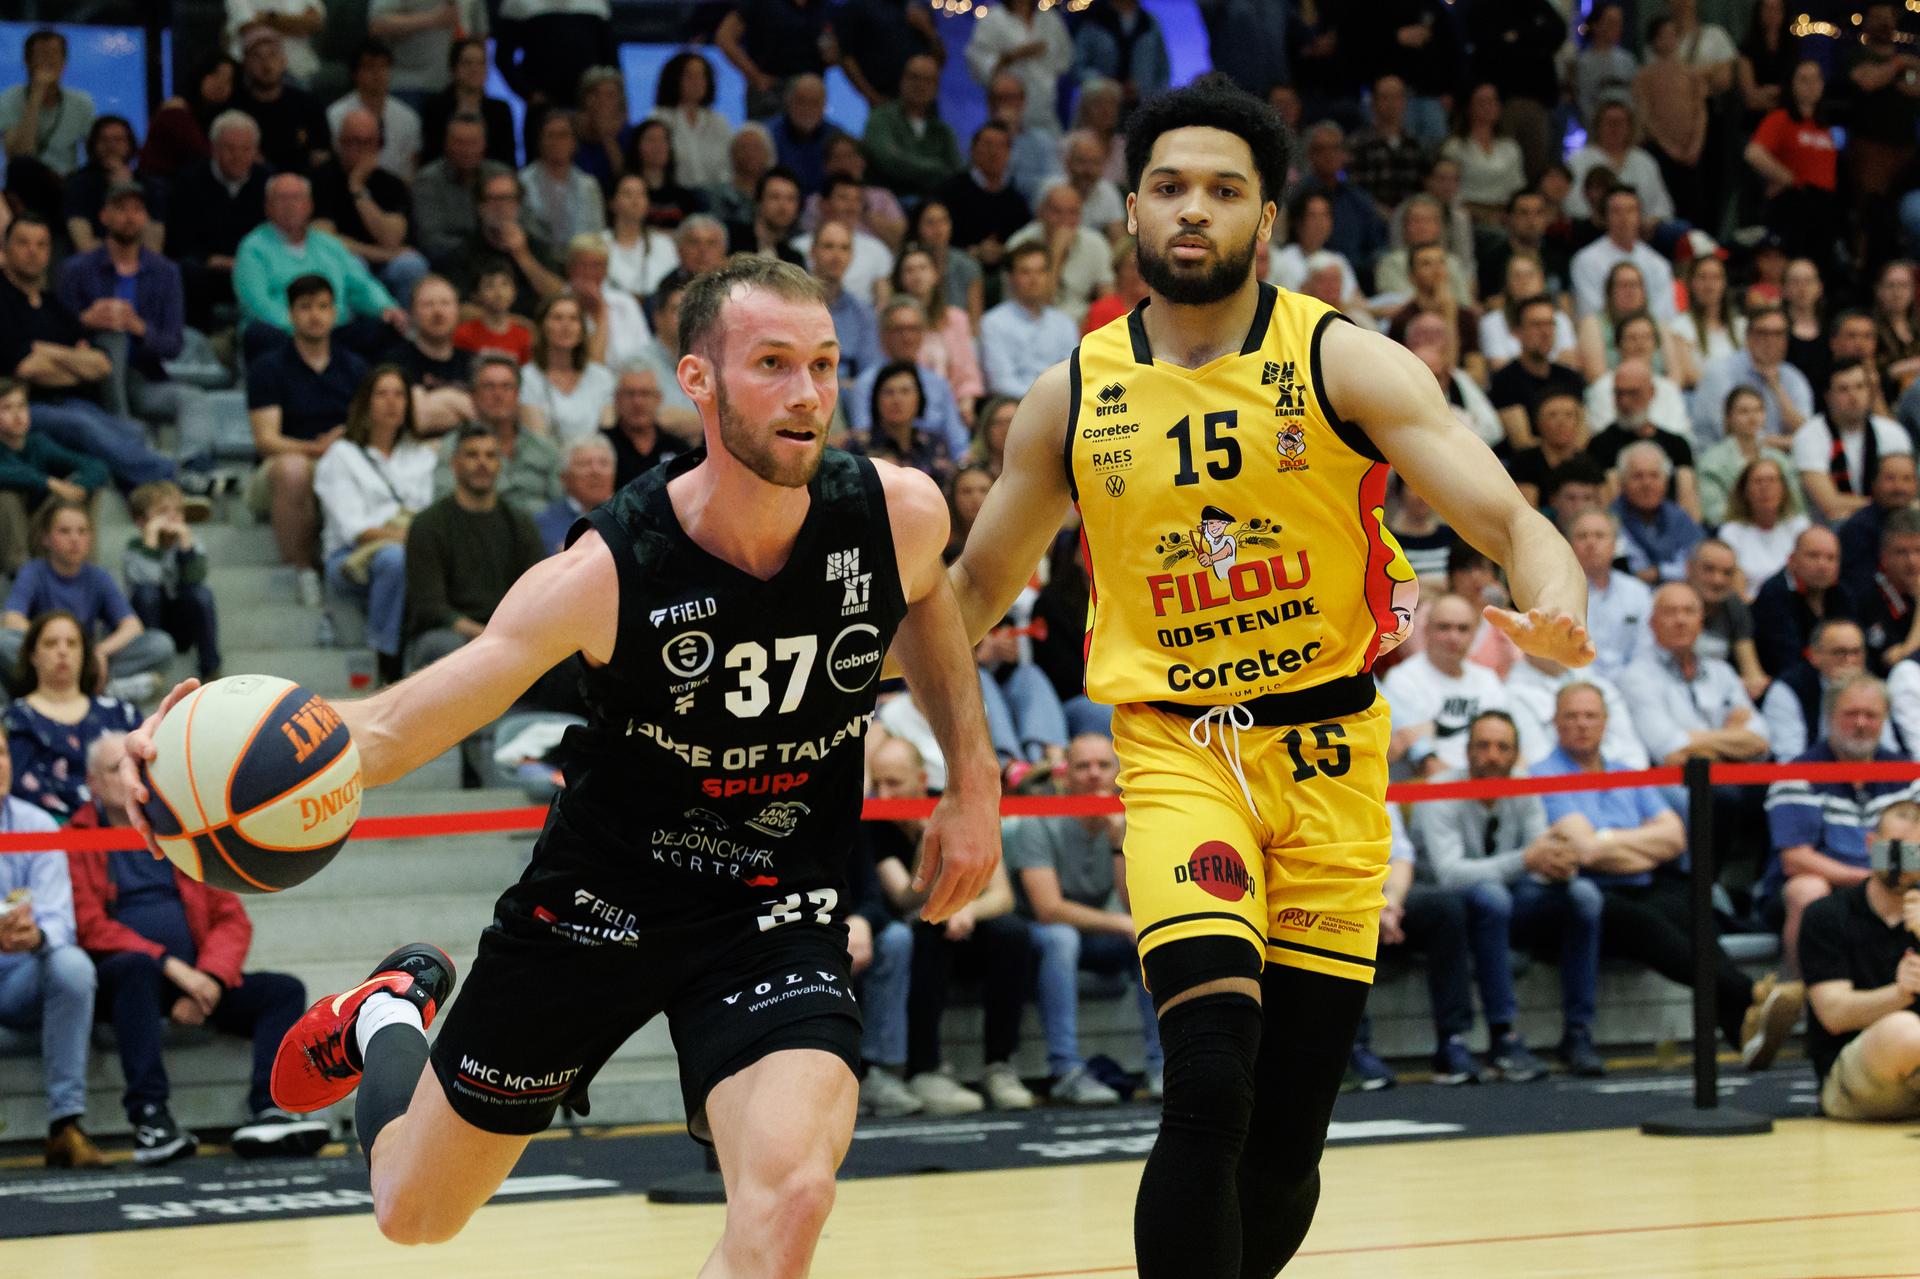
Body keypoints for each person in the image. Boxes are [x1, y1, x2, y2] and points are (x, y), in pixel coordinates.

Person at [126, 253, 999, 1264]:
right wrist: (212, 734)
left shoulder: (896, 512)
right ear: (699, 382)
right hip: (601, 901)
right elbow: (391, 725)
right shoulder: (607, 570)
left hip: (773, 902)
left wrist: (973, 784)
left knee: (793, 1193)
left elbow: (928, 598)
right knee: (414, 1212)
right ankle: (386, 1017)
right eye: (771, 363)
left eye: (823, 363)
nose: (807, 394)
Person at [944, 80, 1591, 1279]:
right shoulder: (1070, 395)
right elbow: (970, 597)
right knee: (1207, 1074)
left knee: (1287, 1131)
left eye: (1225, 190)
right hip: (1179, 748)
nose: (1196, 210)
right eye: (1173, 187)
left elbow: (1511, 517)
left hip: (1333, 760)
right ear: (1130, 208)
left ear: (1269, 217)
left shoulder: (1346, 362)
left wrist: (1558, 602)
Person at [69, 730, 326, 1162]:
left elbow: (230, 916)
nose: (132, 778)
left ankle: (269, 1109)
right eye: (117, 769)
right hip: (125, 983)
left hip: (195, 979)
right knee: (135, 968)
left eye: (139, 769)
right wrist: (171, 966)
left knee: (283, 991)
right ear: (92, 783)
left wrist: (208, 977)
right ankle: (151, 1119)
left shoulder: (177, 830)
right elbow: (89, 926)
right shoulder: (78, 835)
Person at [1533, 682, 1804, 1071]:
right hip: (1582, 895)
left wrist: (1611, 842)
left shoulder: (1626, 772)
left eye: (1590, 716)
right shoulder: (1543, 774)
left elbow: (1675, 838)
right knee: (1643, 921)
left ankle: (1740, 1027)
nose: (1581, 724)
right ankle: (1747, 998)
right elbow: (1585, 852)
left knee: (1692, 902)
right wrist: (1639, 844)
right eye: (1571, 716)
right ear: (1555, 722)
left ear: (1606, 722)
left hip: (1644, 881)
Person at [1407, 710, 1606, 1080]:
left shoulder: (1524, 788)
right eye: (1483, 746)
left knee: (1583, 896)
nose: (1493, 756)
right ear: (1466, 752)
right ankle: (1503, 1035)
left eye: (1503, 747)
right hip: (1451, 905)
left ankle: (1579, 1031)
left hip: (1512, 898)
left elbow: (1537, 852)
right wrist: (1527, 860)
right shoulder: (1440, 791)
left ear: (1516, 755)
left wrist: (1558, 863)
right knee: (1492, 897)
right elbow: (1449, 873)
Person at [864, 736, 1034, 1113]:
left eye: (893, 783)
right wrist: (925, 842)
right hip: (917, 931)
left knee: (1013, 933)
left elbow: (1002, 895)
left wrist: (968, 909)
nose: (884, 794)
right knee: (924, 934)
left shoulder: (955, 806)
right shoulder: (875, 823)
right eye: (877, 784)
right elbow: (904, 897)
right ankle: (926, 1068)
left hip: (963, 923)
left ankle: (1000, 1065)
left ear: (921, 779)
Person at [1003, 733, 1162, 1104]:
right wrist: (1125, 925)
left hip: (1094, 932)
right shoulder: (1038, 818)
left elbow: (1132, 906)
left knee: (1150, 937)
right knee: (1062, 938)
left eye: (1103, 766)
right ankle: (1066, 1069)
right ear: (1065, 776)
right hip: (1033, 933)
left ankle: (1163, 1065)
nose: (1093, 775)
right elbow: (1049, 908)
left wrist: (1117, 842)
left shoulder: (1131, 821)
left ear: (1119, 774)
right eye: (1083, 766)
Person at [0, 217, 181, 495]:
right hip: (21, 408)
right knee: (81, 425)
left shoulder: (53, 305)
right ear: (5, 249)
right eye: (23, 243)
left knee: (130, 431)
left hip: (70, 401)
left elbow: (100, 365)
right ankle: (171, 479)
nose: (33, 251)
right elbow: (27, 369)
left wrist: (42, 349)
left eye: (41, 244)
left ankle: (151, 499)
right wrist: (72, 362)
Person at [1760, 676, 1918, 971]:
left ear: (1884, 720)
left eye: (1871, 715)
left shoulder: (1908, 774)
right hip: (1830, 887)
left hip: (1895, 881)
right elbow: (1796, 860)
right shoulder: (1798, 773)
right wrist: (1869, 881)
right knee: (1806, 890)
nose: (1861, 723)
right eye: (1851, 713)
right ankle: (1796, 1000)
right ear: (1829, 717)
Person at [0, 730, 102, 1168]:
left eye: (1, 752)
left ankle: (65, 1126)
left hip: (21, 977)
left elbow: (60, 920)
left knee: (73, 966)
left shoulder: (37, 824)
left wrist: (35, 937)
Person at [246, 274, 372, 606]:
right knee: (294, 469)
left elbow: (369, 425)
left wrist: (344, 437)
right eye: (305, 307)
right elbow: (266, 439)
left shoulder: (356, 368)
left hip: (341, 458)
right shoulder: (268, 368)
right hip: (281, 466)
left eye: (322, 306)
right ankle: (300, 570)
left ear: (335, 312)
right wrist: (315, 448)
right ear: (290, 314)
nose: (314, 315)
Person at [315, 366, 439, 683]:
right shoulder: (341, 455)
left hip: (412, 548)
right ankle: (386, 660)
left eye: (399, 394)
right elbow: (355, 530)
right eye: (382, 394)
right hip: (351, 558)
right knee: (394, 560)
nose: (391, 402)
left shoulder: (422, 456)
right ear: (365, 403)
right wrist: (411, 538)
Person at [1799, 800, 1920, 1121]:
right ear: (1870, 844)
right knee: (1903, 1031)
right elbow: (1834, 1014)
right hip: (1856, 1079)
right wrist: (1899, 994)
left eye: (1915, 851)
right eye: (1894, 849)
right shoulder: (1827, 915)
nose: (1903, 862)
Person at [405, 424, 546, 675]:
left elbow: (536, 594)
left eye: (490, 456)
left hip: (510, 633)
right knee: (446, 648)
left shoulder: (519, 522)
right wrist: (485, 637)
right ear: (454, 463)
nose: (482, 463)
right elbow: (431, 607)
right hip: (450, 633)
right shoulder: (429, 524)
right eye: (472, 455)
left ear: (499, 465)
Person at [0, 501, 176, 700]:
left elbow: (132, 626)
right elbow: (12, 619)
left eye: (82, 531)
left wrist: (96, 651)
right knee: (4, 641)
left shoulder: (98, 576)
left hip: (87, 659)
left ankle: (86, 687)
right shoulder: (33, 571)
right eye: (64, 531)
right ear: (46, 539)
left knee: (160, 645)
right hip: (46, 659)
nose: (75, 539)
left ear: (90, 538)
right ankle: (104, 691)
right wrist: (50, 645)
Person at [57, 180, 191, 429]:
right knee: (112, 334)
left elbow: (173, 344)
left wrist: (138, 327)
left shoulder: (166, 272)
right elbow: (52, 330)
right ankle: (121, 424)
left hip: (143, 377)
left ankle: (193, 463)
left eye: (137, 209)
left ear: (146, 218)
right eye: (121, 209)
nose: (129, 217)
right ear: (103, 216)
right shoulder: (76, 269)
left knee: (194, 401)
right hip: (89, 377)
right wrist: (85, 320)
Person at [234, 174, 409, 362]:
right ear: (267, 207)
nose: (290, 205)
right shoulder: (253, 248)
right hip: (284, 334)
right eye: (282, 198)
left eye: (296, 198)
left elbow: (361, 285)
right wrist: (307, 328)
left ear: (310, 205)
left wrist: (385, 307)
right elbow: (257, 304)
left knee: (386, 327)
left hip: (335, 332)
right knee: (258, 334)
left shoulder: (329, 245)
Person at [4, 610, 143, 820]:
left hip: (122, 831)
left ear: (84, 653)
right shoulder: (15, 720)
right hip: (43, 837)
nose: (62, 651)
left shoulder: (122, 714)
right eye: (51, 643)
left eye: (72, 643)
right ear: (32, 655)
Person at [1620, 581, 1771, 768]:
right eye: (1670, 612)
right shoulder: (1636, 677)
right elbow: (1667, 750)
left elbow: (1761, 740)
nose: (1681, 621)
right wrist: (1734, 738)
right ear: (1652, 623)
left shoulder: (1722, 671)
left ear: (1701, 622)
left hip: (1735, 785)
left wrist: (1694, 743)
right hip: (1675, 786)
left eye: (1689, 611)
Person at [311, 108, 432, 306]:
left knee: (412, 265)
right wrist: (381, 253)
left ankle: (405, 330)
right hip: (347, 262)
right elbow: (325, 240)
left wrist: (358, 188)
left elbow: (391, 238)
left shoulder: (392, 184)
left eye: (368, 142)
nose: (360, 149)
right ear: (339, 143)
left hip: (387, 266)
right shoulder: (320, 179)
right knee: (355, 264)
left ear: (379, 145)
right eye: (352, 141)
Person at [436, 355, 561, 517]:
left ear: (517, 395)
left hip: (539, 534)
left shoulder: (544, 448)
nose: (498, 394)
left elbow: (561, 506)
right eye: (489, 386)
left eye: (507, 387)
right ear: (473, 396)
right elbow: (443, 503)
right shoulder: (454, 445)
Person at [123, 482, 221, 684]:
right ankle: (151, 663)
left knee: (201, 594)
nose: (172, 517)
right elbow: (147, 580)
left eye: (178, 510)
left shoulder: (191, 543)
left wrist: (186, 547)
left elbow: (195, 578)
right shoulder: (135, 548)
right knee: (147, 593)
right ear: (141, 521)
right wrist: (150, 542)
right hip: (150, 621)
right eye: (162, 511)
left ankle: (211, 667)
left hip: (180, 623)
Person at [1693, 306, 1814, 448]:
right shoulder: (1720, 372)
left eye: (1778, 334)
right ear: (1748, 337)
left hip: (1779, 461)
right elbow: (1730, 434)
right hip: (1725, 460)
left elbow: (1807, 433)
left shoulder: (1794, 377)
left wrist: (1776, 386)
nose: (1770, 340)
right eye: (1763, 333)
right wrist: (1791, 443)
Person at [1760, 619, 1879, 761]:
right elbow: (1789, 759)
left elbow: (1887, 748)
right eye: (1840, 652)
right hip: (1808, 777)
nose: (1850, 661)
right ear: (1815, 655)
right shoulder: (1788, 689)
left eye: (1856, 652)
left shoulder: (1873, 690)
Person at [411, 114, 514, 275]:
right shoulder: (428, 181)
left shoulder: (501, 175)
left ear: (484, 144)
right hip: (450, 266)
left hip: (504, 262)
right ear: (446, 144)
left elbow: (524, 224)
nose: (467, 150)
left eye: (473, 143)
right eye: (459, 142)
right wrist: (484, 245)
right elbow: (431, 242)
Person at [1751, 526, 1854, 675]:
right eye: (1813, 556)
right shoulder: (1774, 595)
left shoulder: (1841, 594)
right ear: (1792, 560)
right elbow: (1786, 660)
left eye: (1831, 558)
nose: (1822, 565)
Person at [980, 243, 1079, 397]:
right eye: (1025, 272)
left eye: (1041, 271)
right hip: (1013, 406)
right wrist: (1041, 400)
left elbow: (1072, 374)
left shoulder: (1064, 323)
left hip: (1059, 405)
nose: (1034, 279)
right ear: (1010, 277)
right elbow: (1000, 383)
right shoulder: (993, 322)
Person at [862, 53, 963, 202]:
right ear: (902, 80)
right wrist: (937, 168)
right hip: (889, 202)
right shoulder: (881, 118)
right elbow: (889, 160)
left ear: (936, 88)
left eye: (928, 80)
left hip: (933, 206)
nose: (920, 85)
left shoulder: (943, 130)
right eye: (914, 77)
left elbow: (956, 173)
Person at [231, 25, 329, 176]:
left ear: (283, 61)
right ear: (245, 64)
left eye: (272, 55)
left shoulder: (309, 105)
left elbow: (322, 155)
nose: (266, 64)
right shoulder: (235, 110)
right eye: (257, 57)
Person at [1699, 392, 1804, 534]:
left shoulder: (1779, 459)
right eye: (1744, 411)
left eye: (1758, 410)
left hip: (1780, 530)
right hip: (1732, 532)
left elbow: (1796, 506)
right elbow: (1714, 513)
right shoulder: (1711, 461)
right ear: (1728, 417)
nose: (1753, 417)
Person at [1569, 187, 1675, 324]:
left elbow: (1663, 315)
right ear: (1605, 217)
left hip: (1648, 336)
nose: (1624, 218)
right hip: (1604, 337)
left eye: (1630, 210)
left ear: (1640, 216)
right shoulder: (1585, 261)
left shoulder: (1658, 263)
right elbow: (1591, 312)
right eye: (1616, 211)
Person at [519, 295, 615, 445]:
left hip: (594, 462)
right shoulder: (527, 377)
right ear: (542, 327)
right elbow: (538, 440)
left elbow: (608, 436)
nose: (566, 325)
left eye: (574, 319)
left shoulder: (601, 377)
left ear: (582, 329)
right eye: (557, 318)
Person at [0, 29, 96, 176]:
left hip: (66, 182)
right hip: (24, 182)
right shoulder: (8, 99)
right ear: (27, 61)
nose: (48, 61)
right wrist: (36, 95)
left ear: (64, 62)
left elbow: (95, 154)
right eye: (41, 55)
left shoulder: (82, 102)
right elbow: (19, 154)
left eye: (53, 54)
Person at [1609, 442, 1704, 583]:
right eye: (1637, 476)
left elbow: (1699, 564)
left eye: (1654, 476)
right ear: (1622, 482)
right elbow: (1625, 568)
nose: (1647, 484)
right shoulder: (1609, 519)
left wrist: (1658, 572)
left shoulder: (1679, 518)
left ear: (1666, 481)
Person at [326, 41, 423, 178]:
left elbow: (412, 167)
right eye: (369, 67)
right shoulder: (336, 115)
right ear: (355, 74)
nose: (378, 74)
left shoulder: (408, 117)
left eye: (383, 66)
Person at [419, 37, 516, 170]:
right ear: (453, 69)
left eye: (481, 63)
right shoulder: (435, 107)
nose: (475, 69)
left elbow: (507, 158)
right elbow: (430, 155)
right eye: (467, 63)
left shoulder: (500, 109)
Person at [519, 111, 605, 251]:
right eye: (550, 136)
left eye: (563, 135)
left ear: (574, 142)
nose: (556, 142)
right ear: (540, 141)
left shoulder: (589, 186)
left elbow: (596, 235)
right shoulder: (523, 182)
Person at [808, 221, 881, 385]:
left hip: (849, 398)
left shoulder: (863, 313)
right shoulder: (792, 305)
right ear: (812, 252)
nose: (837, 255)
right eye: (829, 246)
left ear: (851, 256)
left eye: (844, 248)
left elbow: (870, 373)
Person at [1838, 453, 1918, 599]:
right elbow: (1861, 587)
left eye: (1907, 479)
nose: (1899, 487)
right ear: (1873, 483)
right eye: (1890, 478)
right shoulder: (1858, 528)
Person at [600, 365, 686, 488]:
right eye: (630, 394)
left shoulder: (679, 449)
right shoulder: (601, 447)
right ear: (616, 399)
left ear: (658, 399)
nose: (637, 402)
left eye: (645, 394)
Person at [533, 434, 614, 555]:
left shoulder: (631, 520)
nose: (595, 471)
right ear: (564, 477)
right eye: (584, 464)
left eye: (603, 464)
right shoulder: (541, 524)